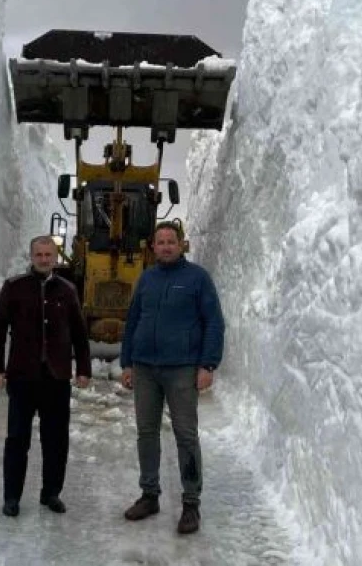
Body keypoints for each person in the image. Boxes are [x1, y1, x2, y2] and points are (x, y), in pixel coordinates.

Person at [119, 221, 225, 534]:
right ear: (153, 246)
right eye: (160, 241)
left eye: (171, 241)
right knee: (146, 432)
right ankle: (149, 494)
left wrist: (208, 365)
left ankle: (191, 503)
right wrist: (127, 362)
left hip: (181, 369)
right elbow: (133, 320)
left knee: (185, 434)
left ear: (181, 245)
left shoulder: (197, 278)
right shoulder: (147, 279)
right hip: (146, 368)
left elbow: (214, 323)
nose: (165, 246)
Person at [0, 235, 92, 517]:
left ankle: (51, 493)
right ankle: (12, 497)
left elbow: (80, 335)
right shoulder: (14, 288)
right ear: (31, 256)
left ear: (56, 257)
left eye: (49, 255)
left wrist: (83, 369)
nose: (44, 259)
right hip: (22, 377)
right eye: (39, 254)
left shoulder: (67, 290)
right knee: (18, 439)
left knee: (56, 440)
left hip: (56, 379)